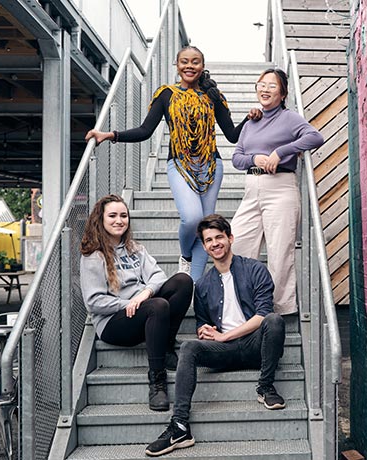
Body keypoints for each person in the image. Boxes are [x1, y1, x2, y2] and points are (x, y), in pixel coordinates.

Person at [85, 46, 262, 280]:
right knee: (192, 218)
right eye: (185, 62)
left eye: (195, 62)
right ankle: (186, 256)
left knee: (206, 228)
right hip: (179, 165)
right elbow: (145, 130)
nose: (190, 66)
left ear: (202, 66)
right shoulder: (166, 94)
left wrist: (250, 119)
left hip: (211, 167)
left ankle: (194, 286)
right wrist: (110, 135)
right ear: (177, 65)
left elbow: (232, 135)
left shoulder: (213, 96)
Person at [145, 214, 286, 457]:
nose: (214, 243)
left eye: (219, 237)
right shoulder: (203, 285)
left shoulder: (255, 269)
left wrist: (225, 335)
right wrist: (206, 332)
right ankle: (179, 426)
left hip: (256, 347)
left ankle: (266, 387)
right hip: (225, 352)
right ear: (204, 246)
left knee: (274, 320)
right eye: (208, 240)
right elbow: (203, 324)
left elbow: (263, 315)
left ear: (230, 238)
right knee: (189, 347)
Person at [80, 194, 192, 411]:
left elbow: (158, 276)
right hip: (114, 323)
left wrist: (144, 295)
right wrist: (129, 304)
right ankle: (157, 381)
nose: (119, 220)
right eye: (112, 215)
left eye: (123, 215)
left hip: (143, 310)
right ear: (100, 220)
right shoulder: (94, 256)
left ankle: (166, 345)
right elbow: (94, 302)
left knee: (183, 281)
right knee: (158, 305)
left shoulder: (136, 249)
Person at [231, 68, 325, 315]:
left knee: (279, 251)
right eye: (261, 84)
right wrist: (256, 158)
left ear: (282, 94)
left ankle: (279, 309)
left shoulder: (290, 118)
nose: (265, 89)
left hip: (280, 188)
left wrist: (280, 152)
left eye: (272, 86)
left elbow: (315, 137)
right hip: (252, 189)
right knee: (238, 243)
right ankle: (245, 303)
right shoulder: (251, 122)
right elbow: (237, 158)